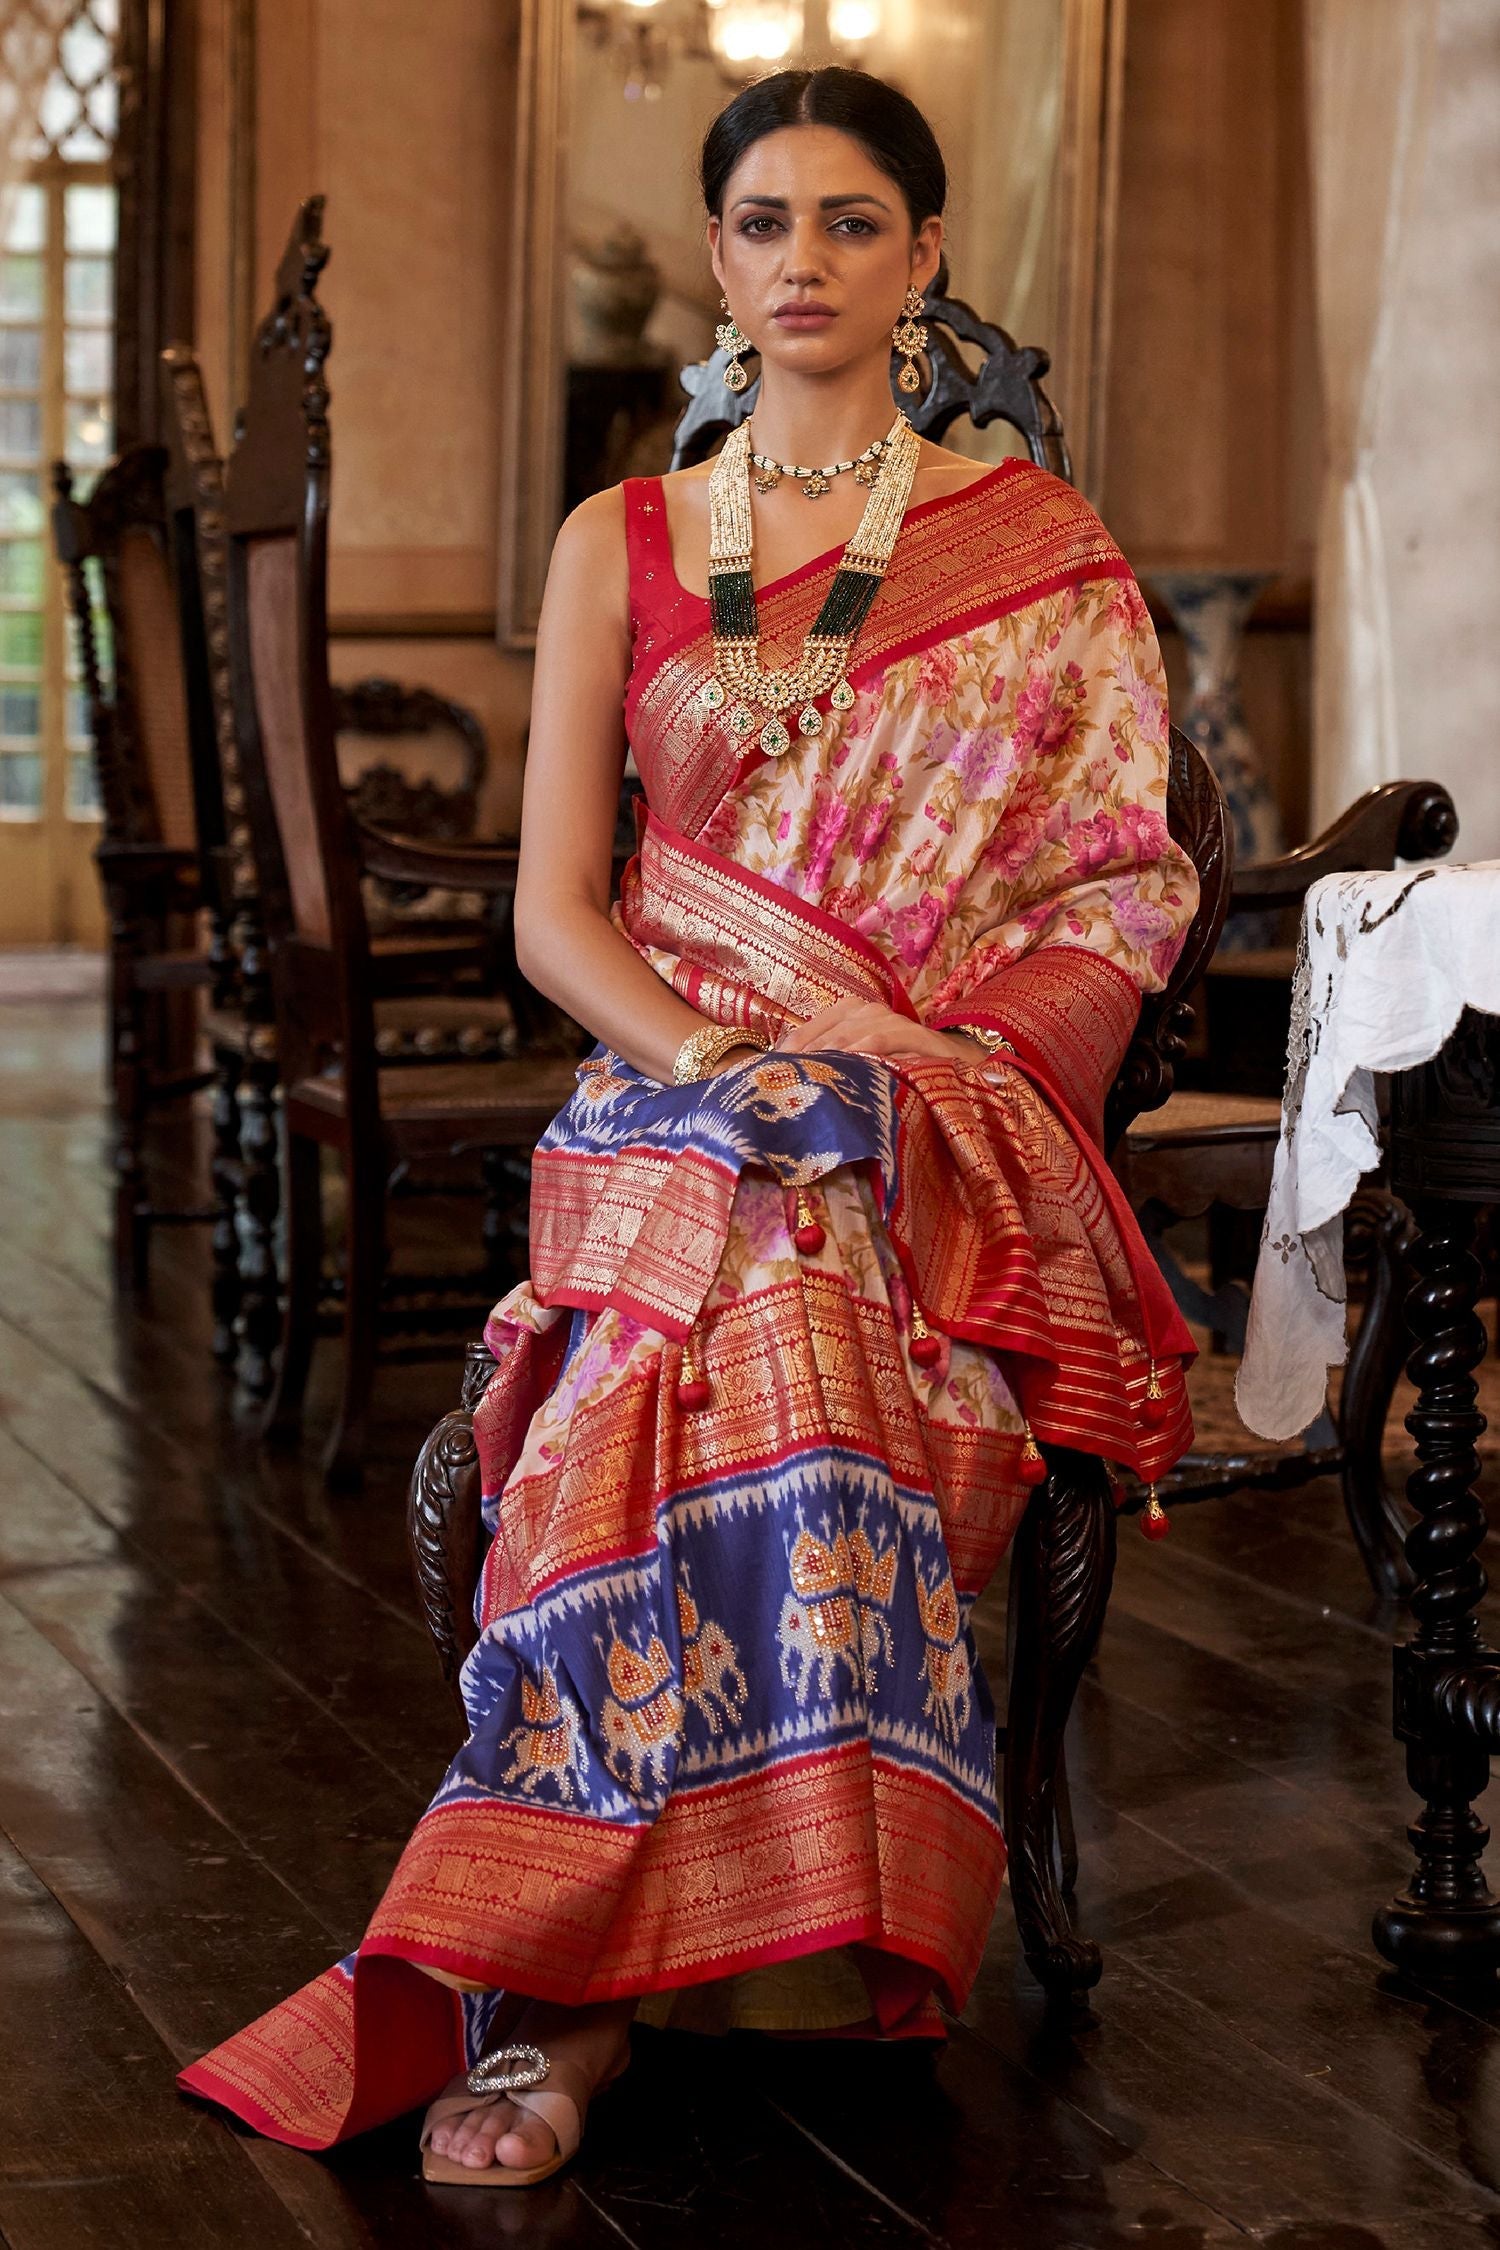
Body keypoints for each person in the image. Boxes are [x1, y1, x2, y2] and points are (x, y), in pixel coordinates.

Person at [179, 64, 1199, 2187]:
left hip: (927, 1119)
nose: (802, 259)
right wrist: (722, 1067)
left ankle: (607, 1986)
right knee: (745, 1230)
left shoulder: (1043, 556)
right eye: (762, 222)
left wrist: (897, 1072)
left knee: (798, 1261)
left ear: (923, 256)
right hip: (660, 1087)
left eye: (848, 220)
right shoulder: (616, 541)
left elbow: (1120, 883)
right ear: (720, 258)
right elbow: (561, 913)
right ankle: (601, 1972)